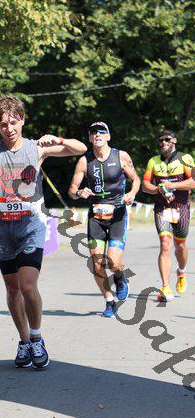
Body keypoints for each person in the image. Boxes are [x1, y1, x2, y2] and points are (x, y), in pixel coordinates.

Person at [0, 94, 87, 369]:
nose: (8, 128)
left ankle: (37, 337)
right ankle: (24, 341)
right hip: (4, 231)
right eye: (3, 124)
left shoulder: (36, 148)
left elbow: (80, 148)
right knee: (12, 289)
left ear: (22, 121)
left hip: (31, 227)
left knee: (27, 285)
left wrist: (58, 139)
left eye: (13, 122)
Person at [68, 121, 141, 318]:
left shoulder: (121, 156)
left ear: (108, 136)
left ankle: (120, 277)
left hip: (117, 214)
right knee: (97, 262)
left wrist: (132, 194)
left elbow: (136, 179)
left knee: (114, 263)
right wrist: (79, 192)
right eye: (94, 132)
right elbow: (72, 190)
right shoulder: (84, 161)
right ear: (90, 138)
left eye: (102, 131)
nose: (98, 134)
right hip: (96, 217)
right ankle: (109, 300)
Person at [142, 129, 194, 301]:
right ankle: (165, 287)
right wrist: (157, 189)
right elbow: (145, 185)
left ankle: (181, 272)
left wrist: (173, 186)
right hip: (161, 208)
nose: (163, 142)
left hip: (181, 208)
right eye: (160, 140)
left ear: (174, 141)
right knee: (165, 245)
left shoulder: (185, 158)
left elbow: (193, 181)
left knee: (180, 246)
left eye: (167, 139)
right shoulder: (153, 161)